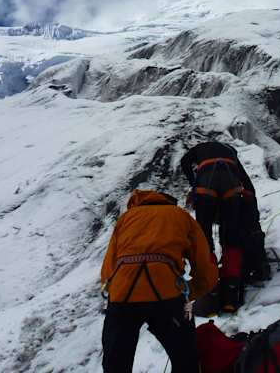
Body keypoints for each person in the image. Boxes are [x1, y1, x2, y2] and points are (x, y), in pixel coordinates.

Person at [100, 189, 217, 373]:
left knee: (116, 364)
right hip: (166, 295)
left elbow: (108, 268)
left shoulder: (126, 218)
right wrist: (190, 291)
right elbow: (203, 264)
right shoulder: (180, 216)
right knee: (185, 358)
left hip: (122, 297)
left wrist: (113, 293)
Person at [180, 141, 269, 313]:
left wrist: (194, 183)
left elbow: (184, 162)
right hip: (231, 186)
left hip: (205, 185)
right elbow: (247, 182)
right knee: (231, 238)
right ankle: (231, 295)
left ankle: (210, 289)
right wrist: (252, 212)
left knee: (204, 238)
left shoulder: (199, 149)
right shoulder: (230, 152)